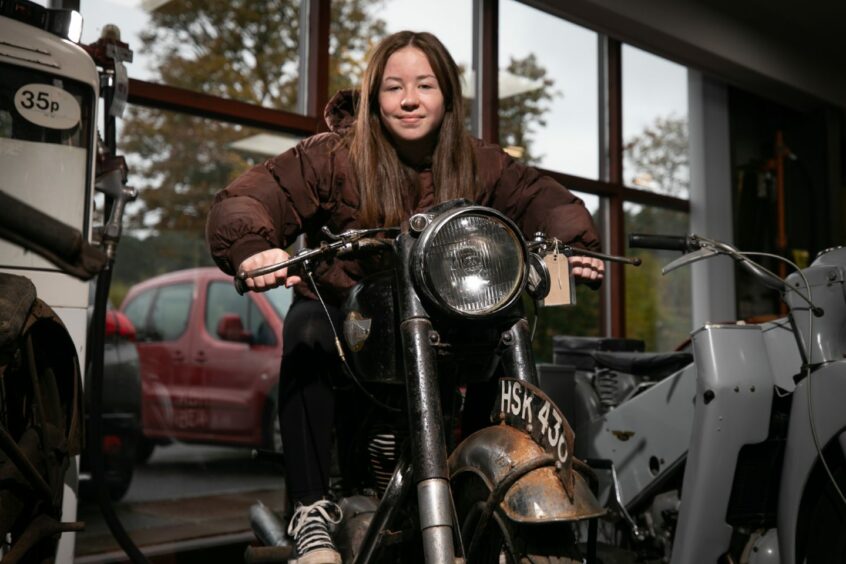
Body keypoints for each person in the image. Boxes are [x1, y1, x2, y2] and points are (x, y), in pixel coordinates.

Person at [206, 30, 604, 564]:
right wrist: (253, 246)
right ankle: (310, 511)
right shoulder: (334, 157)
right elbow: (257, 193)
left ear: (447, 95)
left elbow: (538, 197)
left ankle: (481, 482)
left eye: (425, 85)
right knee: (304, 329)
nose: (410, 99)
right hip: (354, 322)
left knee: (502, 324)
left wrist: (572, 246)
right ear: (374, 96)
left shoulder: (479, 163)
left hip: (447, 320)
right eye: (394, 87)